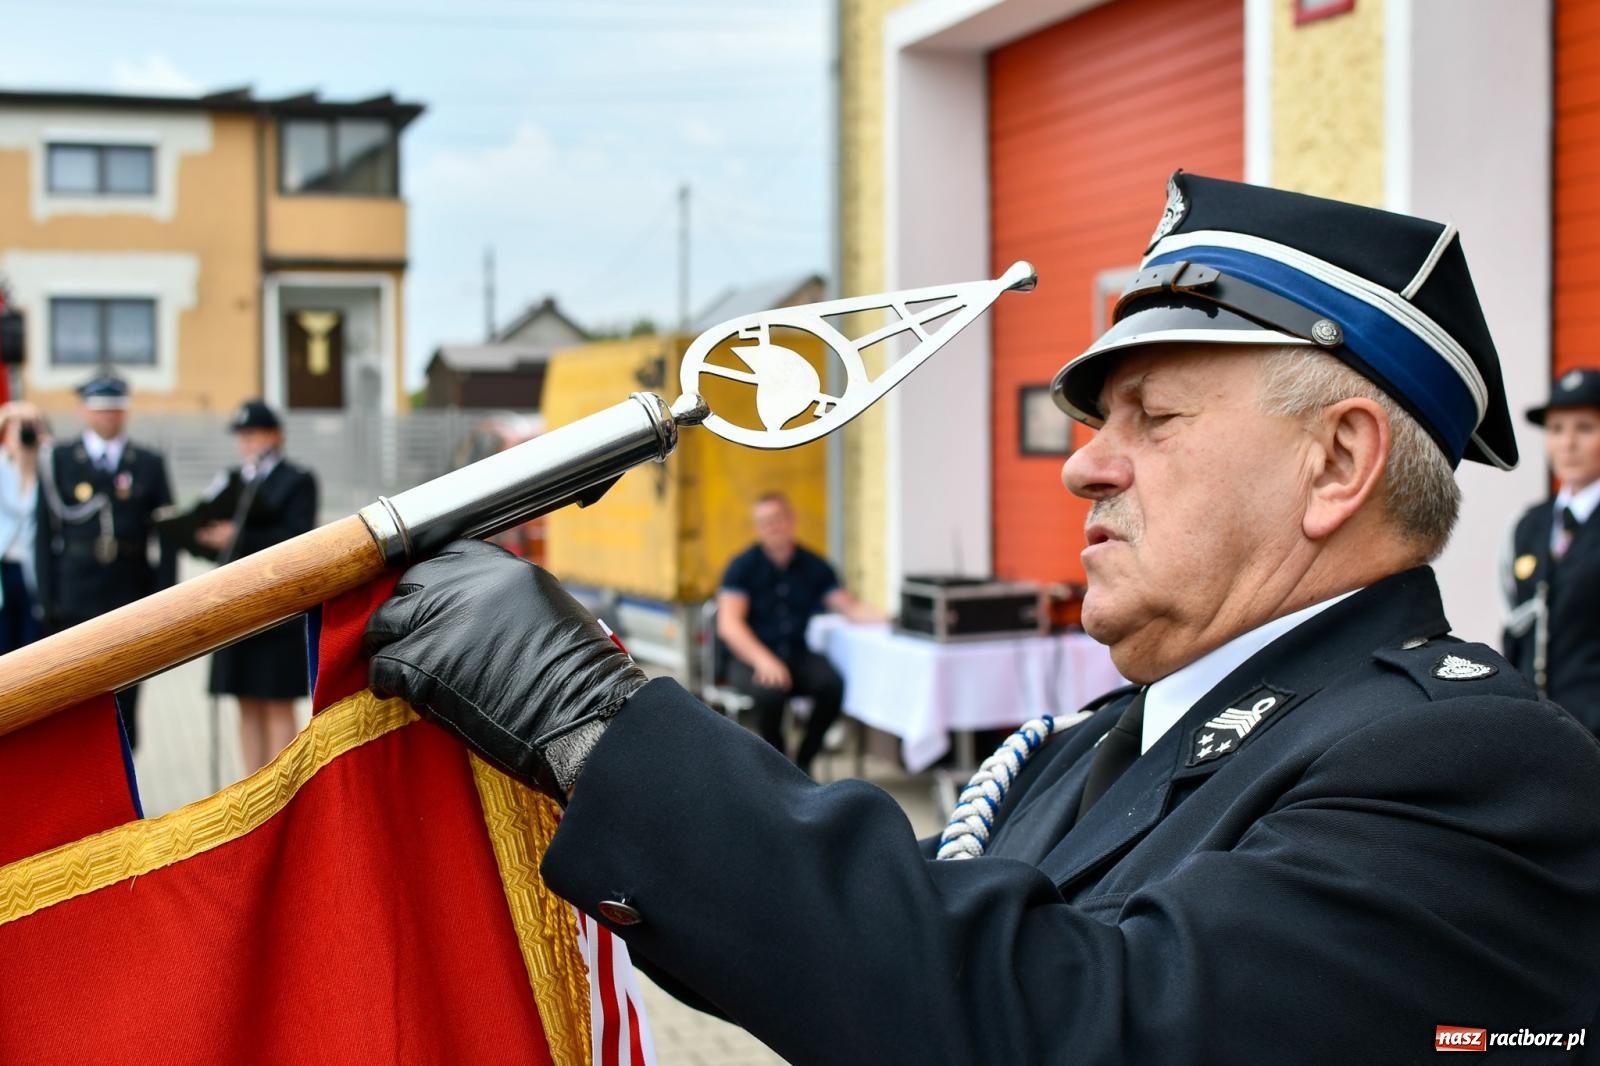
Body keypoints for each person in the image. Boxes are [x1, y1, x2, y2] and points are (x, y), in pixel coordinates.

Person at [359, 174, 1600, 1063]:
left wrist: (603, 729)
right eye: (1092, 426)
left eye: (1153, 421)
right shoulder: (1081, 748)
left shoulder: (1467, 766)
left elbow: (1081, 1022)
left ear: (1337, 464)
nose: (1082, 470)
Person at [35, 374, 176, 749]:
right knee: (74, 703)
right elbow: (44, 535)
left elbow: (167, 536)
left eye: (115, 409)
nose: (108, 417)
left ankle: (123, 799)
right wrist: (48, 601)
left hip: (129, 592)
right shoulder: (60, 461)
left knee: (125, 703)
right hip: (75, 595)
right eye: (100, 410)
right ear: (83, 411)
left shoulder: (148, 463)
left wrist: (168, 600)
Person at [184, 399, 318, 773]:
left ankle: (282, 789)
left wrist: (238, 534)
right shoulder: (231, 481)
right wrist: (202, 534)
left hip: (277, 609)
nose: (247, 443)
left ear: (275, 436)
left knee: (276, 700)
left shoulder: (297, 480)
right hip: (236, 606)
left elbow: (297, 539)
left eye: (254, 434)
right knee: (246, 701)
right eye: (241, 436)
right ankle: (252, 783)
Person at [716, 491, 881, 774]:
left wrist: (896, 619)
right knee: (771, 694)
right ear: (757, 528)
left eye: (777, 519)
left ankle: (804, 762)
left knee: (832, 684)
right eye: (765, 522)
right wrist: (763, 660)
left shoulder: (815, 566)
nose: (773, 527)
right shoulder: (742, 567)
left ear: (791, 520)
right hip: (748, 656)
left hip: (794, 652)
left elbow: (849, 607)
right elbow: (730, 625)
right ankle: (778, 770)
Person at [1502, 368, 1600, 735]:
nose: (1568, 443)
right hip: (1541, 734)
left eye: (1585, 428)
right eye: (1557, 430)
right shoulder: (1529, 526)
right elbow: (1517, 628)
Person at [0, 402, 47, 653]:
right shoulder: (2, 467)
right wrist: (6, 416)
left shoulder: (48, 468)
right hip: (4, 570)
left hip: (34, 570)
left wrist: (38, 447)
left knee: (31, 644)